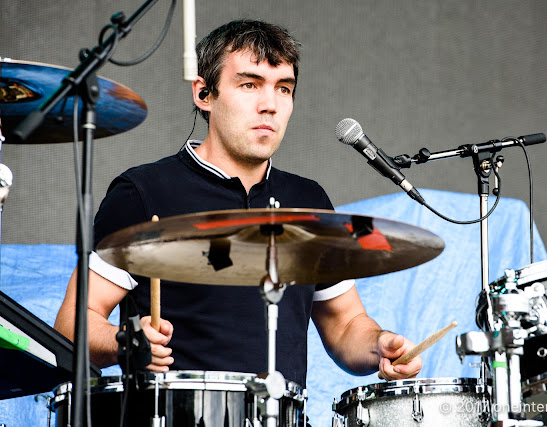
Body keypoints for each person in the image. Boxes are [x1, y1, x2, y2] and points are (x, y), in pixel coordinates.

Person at [54, 19, 421, 389]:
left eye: (283, 88)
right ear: (204, 94)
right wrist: (126, 342)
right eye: (249, 84)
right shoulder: (144, 192)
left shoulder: (309, 202)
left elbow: (345, 324)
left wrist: (379, 345)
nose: (270, 105)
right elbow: (72, 322)